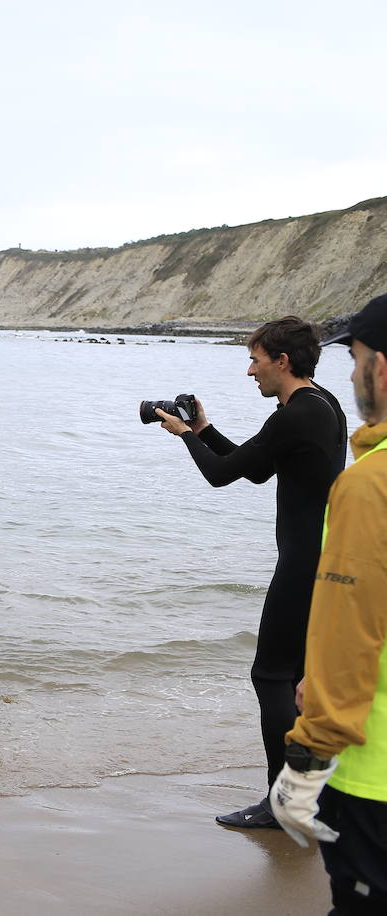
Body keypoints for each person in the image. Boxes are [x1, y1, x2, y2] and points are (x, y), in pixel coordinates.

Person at [153, 315, 347, 830]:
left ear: (281, 361)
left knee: (272, 676)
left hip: (308, 562)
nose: (249, 371)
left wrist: (181, 436)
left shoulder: (295, 415)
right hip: (326, 557)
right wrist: (202, 428)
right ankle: (310, 795)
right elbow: (255, 467)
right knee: (301, 681)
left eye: (255, 361)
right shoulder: (320, 403)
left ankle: (284, 802)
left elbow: (221, 475)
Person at [270, 293, 387, 912]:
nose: (351, 371)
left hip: (376, 775)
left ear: (382, 368)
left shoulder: (370, 484)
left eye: (359, 357)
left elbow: (351, 633)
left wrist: (307, 759)